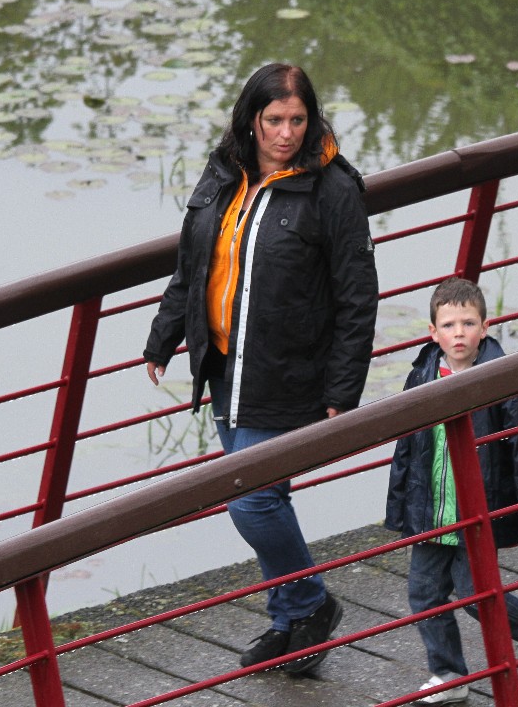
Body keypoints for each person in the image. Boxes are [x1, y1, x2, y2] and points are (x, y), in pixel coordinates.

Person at [143, 63, 378, 672]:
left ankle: (311, 603)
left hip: (289, 374)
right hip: (226, 367)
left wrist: (343, 390)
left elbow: (357, 298)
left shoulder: (333, 190)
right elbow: (193, 265)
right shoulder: (226, 172)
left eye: (298, 120)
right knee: (261, 495)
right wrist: (163, 338)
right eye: (274, 120)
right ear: (251, 119)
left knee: (251, 500)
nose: (286, 133)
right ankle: (290, 619)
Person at [385, 278, 518, 704]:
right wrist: (401, 507)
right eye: (448, 325)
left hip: (477, 511)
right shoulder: (422, 374)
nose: (458, 333)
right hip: (431, 509)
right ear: (433, 332)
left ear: (485, 327)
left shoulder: (499, 378)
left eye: (468, 323)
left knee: (473, 595)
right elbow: (406, 448)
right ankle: (448, 673)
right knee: (424, 594)